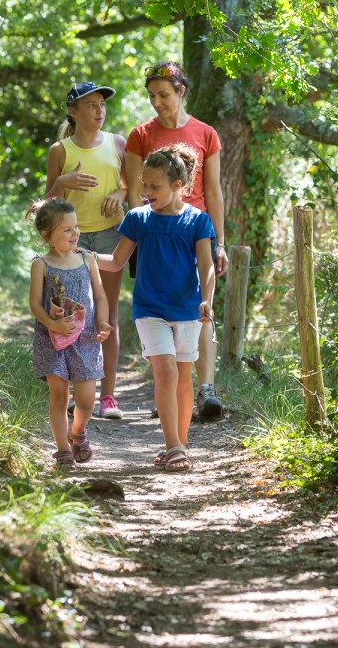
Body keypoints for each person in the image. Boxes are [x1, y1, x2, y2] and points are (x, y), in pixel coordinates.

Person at [97, 145, 215, 471]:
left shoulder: (198, 221)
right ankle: (173, 445)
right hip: (149, 308)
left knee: (183, 378)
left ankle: (181, 443)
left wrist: (208, 298)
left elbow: (205, 265)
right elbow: (117, 260)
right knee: (165, 371)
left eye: (154, 186)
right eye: (143, 185)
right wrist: (84, 256)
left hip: (189, 309)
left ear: (178, 186)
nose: (146, 192)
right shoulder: (138, 219)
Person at [124, 61, 228, 421]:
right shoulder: (140, 134)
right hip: (156, 235)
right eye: (151, 95)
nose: (157, 102)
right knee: (162, 308)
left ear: (181, 92)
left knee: (201, 304)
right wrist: (140, 235)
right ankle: (166, 388)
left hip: (196, 231)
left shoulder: (206, 133)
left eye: (164, 95)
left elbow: (213, 192)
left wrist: (220, 242)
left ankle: (206, 388)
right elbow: (136, 192)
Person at [46, 81, 127, 420]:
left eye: (101, 105)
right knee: (69, 314)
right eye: (91, 106)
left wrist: (120, 195)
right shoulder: (60, 151)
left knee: (106, 317)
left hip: (110, 236)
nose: (99, 111)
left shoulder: (118, 144)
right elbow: (47, 206)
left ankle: (107, 396)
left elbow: (135, 188)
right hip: (71, 241)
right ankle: (70, 390)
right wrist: (62, 184)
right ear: (73, 112)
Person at [27, 198, 112, 470]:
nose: (75, 234)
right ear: (47, 236)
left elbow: (99, 295)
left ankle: (77, 432)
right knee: (59, 396)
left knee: (86, 401)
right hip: (52, 340)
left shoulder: (87, 259)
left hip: (85, 337)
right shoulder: (41, 264)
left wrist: (104, 323)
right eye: (67, 230)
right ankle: (62, 449)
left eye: (76, 227)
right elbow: (34, 305)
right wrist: (53, 325)